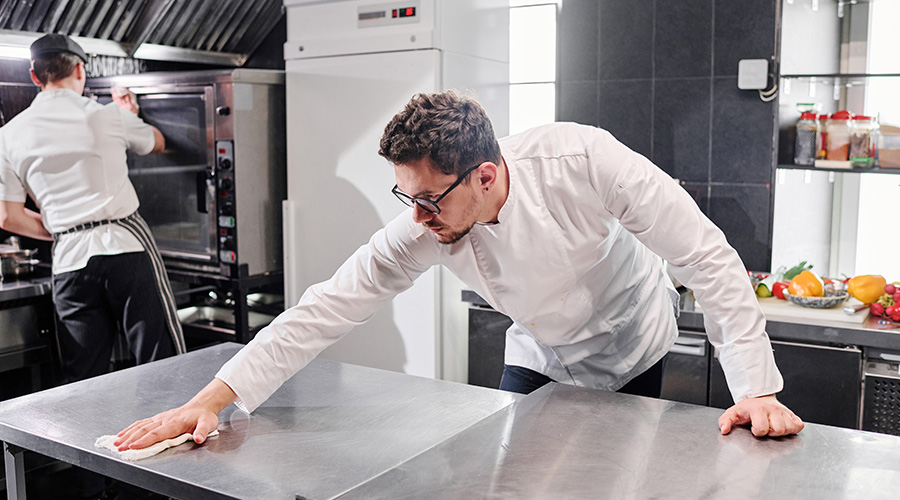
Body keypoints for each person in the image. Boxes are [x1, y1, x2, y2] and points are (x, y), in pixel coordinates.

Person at [115, 90, 803, 452]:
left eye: (427, 199)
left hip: (632, 340)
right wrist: (208, 402)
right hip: (539, 351)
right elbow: (325, 307)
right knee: (513, 480)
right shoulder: (432, 221)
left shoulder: (586, 161)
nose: (415, 217)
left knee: (620, 479)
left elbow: (706, 257)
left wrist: (758, 389)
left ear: (484, 174)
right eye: (404, 197)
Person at [0, 35, 185, 388]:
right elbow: (157, 143)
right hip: (126, 247)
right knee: (161, 365)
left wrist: (63, 229)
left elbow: (8, 218)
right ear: (81, 70)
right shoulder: (107, 115)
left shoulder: (7, 136)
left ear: (35, 76)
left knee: (83, 381)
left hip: (70, 262)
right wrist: (130, 115)